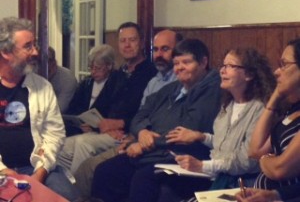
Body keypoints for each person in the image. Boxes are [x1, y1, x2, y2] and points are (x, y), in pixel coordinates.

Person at [90, 38, 222, 202]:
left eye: (186, 62)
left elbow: (187, 129)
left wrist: (144, 144)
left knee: (143, 180)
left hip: (179, 156)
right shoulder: (170, 89)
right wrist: (142, 131)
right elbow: (139, 115)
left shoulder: (211, 90)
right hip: (153, 153)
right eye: (176, 63)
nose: (179, 68)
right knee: (105, 171)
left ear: (203, 62)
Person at [73, 29, 182, 199]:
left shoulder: (157, 76)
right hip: (133, 135)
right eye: (157, 49)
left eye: (166, 49)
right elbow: (140, 114)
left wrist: (129, 130)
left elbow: (168, 122)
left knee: (95, 166)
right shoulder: (151, 80)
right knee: (76, 158)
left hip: (153, 146)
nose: (159, 54)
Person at [162, 48, 275, 202]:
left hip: (244, 185)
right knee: (165, 188)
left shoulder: (260, 109)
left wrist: (203, 165)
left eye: (230, 66)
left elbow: (247, 160)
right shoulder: (227, 105)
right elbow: (225, 143)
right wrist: (202, 137)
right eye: (223, 65)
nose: (222, 71)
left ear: (249, 74)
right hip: (219, 178)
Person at [58, 22, 157, 174]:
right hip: (107, 131)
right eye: (123, 41)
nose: (127, 45)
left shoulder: (151, 73)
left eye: (132, 40)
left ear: (142, 42)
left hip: (129, 133)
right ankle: (65, 189)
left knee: (82, 144)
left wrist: (121, 125)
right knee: (60, 146)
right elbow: (103, 106)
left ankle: (79, 193)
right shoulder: (118, 74)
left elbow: (149, 113)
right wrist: (99, 126)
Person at [0, 17, 79, 201]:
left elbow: (55, 134)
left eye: (34, 45)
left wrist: (41, 172)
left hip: (37, 168)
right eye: (28, 46)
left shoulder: (42, 86)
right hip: (2, 170)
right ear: (5, 52)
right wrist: (4, 171)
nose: (35, 52)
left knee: (67, 196)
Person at [235, 38, 300, 202]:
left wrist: (266, 159)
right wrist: (275, 97)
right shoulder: (292, 110)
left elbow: (280, 169)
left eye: (284, 64)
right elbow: (255, 150)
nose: (277, 71)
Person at [64, 44, 116, 136]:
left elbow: (114, 114)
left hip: (103, 131)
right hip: (80, 128)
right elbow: (72, 108)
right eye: (91, 68)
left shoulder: (116, 83)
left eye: (97, 68)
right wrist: (79, 124)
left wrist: (94, 127)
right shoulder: (86, 83)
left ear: (109, 66)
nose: (93, 72)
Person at [48, 46, 78, 113]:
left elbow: (59, 110)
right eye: (39, 60)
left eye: (48, 60)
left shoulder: (67, 78)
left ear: (54, 62)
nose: (43, 65)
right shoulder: (31, 75)